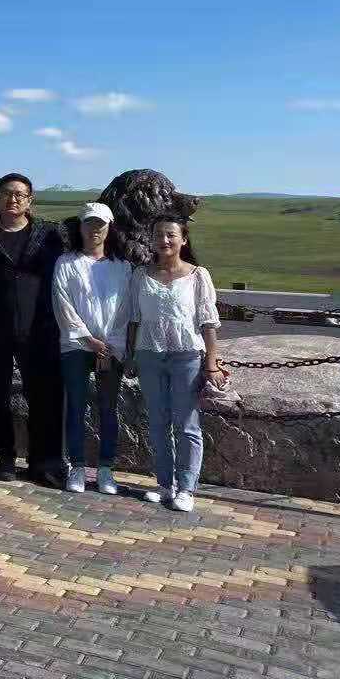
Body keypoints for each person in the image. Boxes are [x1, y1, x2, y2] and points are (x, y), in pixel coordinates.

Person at [121, 213, 224, 513]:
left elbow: (208, 321)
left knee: (186, 423)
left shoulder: (197, 276)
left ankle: (187, 488)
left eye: (170, 235)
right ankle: (165, 484)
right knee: (157, 422)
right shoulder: (140, 275)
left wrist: (212, 362)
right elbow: (134, 319)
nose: (164, 240)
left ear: (183, 240)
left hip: (186, 355)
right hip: (149, 354)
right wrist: (130, 355)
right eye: (158, 235)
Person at [0, 173, 67, 486]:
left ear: (30, 200)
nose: (13, 199)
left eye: (20, 194)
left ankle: (43, 462)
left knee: (43, 396)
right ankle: (6, 456)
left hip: (40, 328)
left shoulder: (50, 235)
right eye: (7, 193)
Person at [51, 202, 129, 495]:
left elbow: (126, 310)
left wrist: (108, 345)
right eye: (89, 223)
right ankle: (77, 466)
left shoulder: (123, 268)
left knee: (109, 408)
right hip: (75, 345)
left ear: (109, 228)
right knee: (76, 405)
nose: (94, 229)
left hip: (111, 348)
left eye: (100, 224)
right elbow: (63, 305)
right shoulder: (66, 263)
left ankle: (106, 468)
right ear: (80, 226)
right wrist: (88, 340)